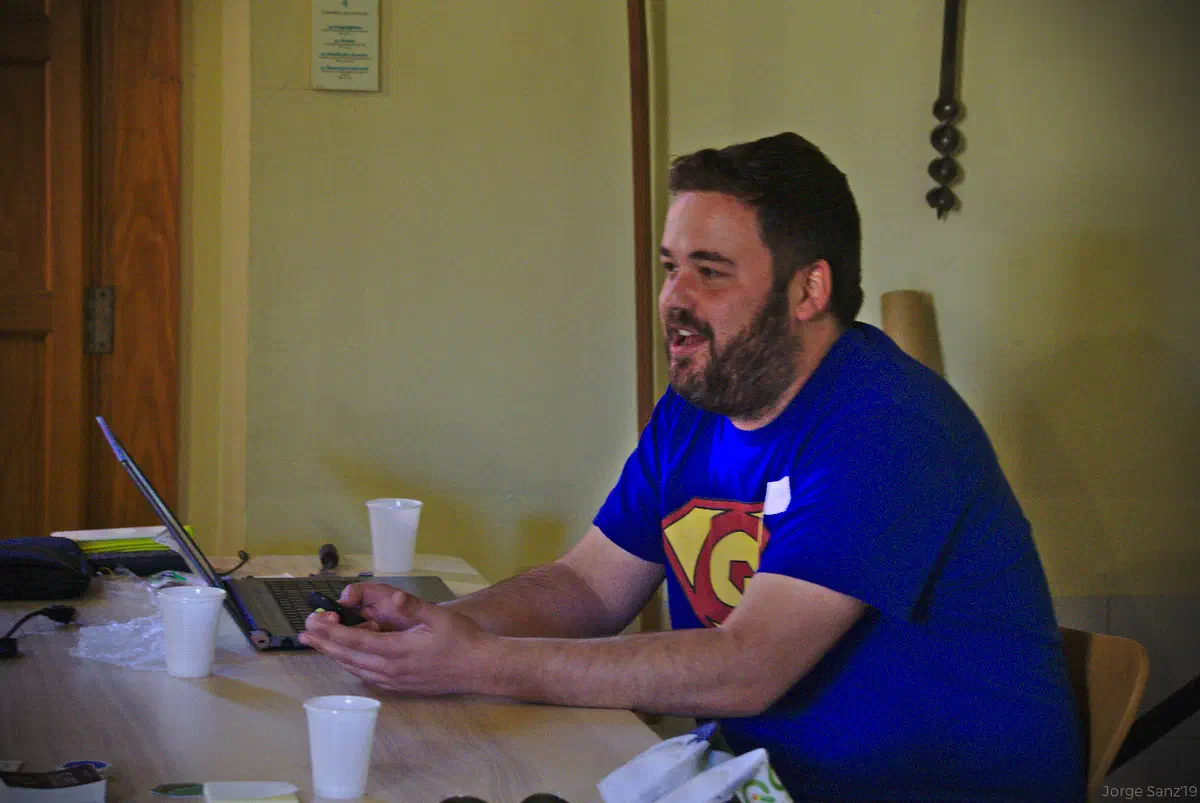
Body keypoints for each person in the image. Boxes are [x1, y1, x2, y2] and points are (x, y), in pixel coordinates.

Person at [302, 132, 1085, 802]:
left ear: (808, 288)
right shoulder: (697, 406)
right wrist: (423, 630)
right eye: (670, 266)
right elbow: (585, 587)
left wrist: (479, 661)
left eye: (710, 272)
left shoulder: (889, 426)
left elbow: (749, 666)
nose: (674, 297)